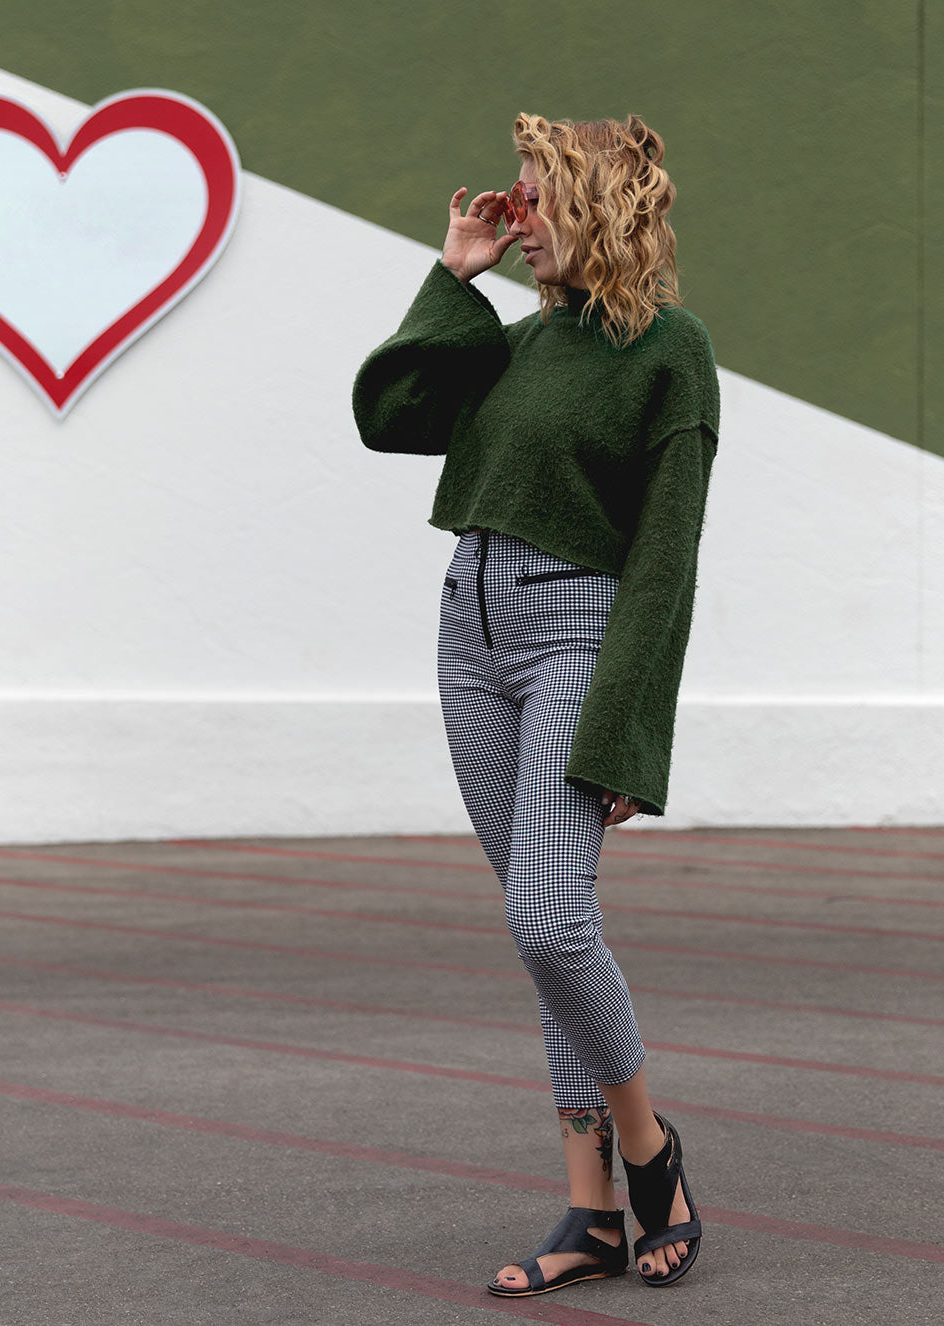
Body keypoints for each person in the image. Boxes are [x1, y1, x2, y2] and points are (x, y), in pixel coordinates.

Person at [352, 112, 719, 1297]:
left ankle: (651, 1155)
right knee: (538, 932)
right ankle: (589, 1212)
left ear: (602, 204)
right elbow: (392, 417)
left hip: (579, 631)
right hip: (471, 622)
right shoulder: (514, 342)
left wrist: (626, 728)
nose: (514, 223)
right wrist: (448, 280)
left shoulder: (670, 352)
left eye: (534, 200)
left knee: (553, 921)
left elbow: (665, 560)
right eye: (506, 203)